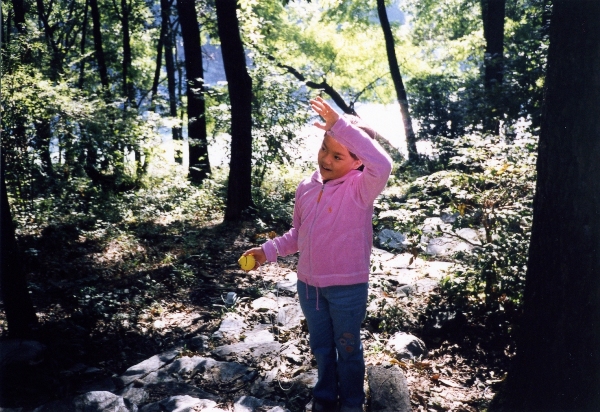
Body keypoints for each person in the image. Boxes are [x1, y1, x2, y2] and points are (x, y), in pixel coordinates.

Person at [242, 96, 393, 412]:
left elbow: (383, 164)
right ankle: (325, 398)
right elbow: (298, 235)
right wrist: (266, 252)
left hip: (347, 289)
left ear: (358, 162)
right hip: (309, 287)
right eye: (325, 148)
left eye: (338, 156)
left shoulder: (360, 190)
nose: (326, 159)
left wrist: (340, 125)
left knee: (348, 349)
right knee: (321, 347)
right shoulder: (306, 187)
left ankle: (351, 403)